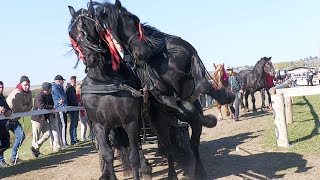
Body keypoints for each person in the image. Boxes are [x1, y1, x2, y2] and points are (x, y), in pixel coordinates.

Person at [6, 76, 33, 164]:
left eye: (28, 85)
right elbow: (18, 108)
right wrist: (24, 107)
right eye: (25, 85)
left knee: (21, 136)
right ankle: (1, 160)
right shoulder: (16, 92)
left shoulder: (29, 93)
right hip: (6, 120)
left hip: (15, 119)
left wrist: (23, 107)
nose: (27, 87)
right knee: (3, 140)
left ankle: (13, 157)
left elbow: (30, 107)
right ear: (21, 84)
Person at [30, 82, 61, 158]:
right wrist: (52, 107)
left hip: (44, 119)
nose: (51, 89)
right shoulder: (39, 96)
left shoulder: (49, 95)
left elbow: (51, 105)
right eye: (50, 88)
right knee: (36, 136)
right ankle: (36, 153)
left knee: (48, 133)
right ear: (48, 89)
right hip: (37, 119)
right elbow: (41, 106)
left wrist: (52, 111)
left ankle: (35, 147)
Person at [51, 75, 69, 147]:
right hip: (59, 108)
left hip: (62, 107)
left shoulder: (59, 87)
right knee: (63, 125)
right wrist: (63, 99)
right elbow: (62, 97)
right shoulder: (55, 87)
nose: (63, 82)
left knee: (62, 125)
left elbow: (64, 98)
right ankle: (63, 142)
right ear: (59, 80)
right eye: (62, 80)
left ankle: (63, 142)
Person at [0, 81, 12, 167]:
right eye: (0, 87)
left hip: (3, 125)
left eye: (2, 87)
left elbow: (8, 109)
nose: (1, 89)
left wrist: (7, 111)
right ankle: (1, 161)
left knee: (6, 144)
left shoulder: (2, 98)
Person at [66, 76, 79, 145]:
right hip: (72, 109)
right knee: (73, 124)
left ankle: (75, 138)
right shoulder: (68, 89)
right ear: (72, 81)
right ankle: (72, 140)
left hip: (75, 108)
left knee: (75, 124)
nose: (75, 82)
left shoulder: (72, 89)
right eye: (74, 81)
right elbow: (69, 100)